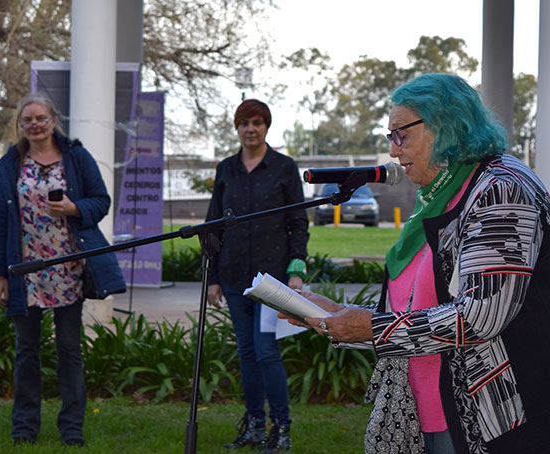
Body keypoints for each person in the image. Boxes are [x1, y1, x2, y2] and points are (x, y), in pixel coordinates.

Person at [281, 73, 550, 454]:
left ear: (443, 125)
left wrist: (372, 329)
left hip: (491, 418)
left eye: (400, 134)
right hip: (427, 409)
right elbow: (417, 309)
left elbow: (479, 316)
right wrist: (340, 314)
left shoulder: (500, 189)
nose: (393, 151)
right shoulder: (439, 195)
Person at [0, 92, 126, 447]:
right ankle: (24, 429)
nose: (35, 125)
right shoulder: (11, 163)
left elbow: (101, 200)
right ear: (20, 126)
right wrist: (0, 274)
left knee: (69, 350)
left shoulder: (76, 157)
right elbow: (1, 221)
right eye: (27, 120)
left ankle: (72, 431)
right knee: (26, 352)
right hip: (25, 271)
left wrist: (74, 209)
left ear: (53, 121)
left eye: (41, 118)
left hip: (68, 267)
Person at [205, 99, 309, 453]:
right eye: (244, 123)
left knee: (266, 351)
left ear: (267, 127)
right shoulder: (226, 169)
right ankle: (253, 426)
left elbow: (298, 223)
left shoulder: (284, 167)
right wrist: (213, 277)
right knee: (247, 352)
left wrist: (296, 270)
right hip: (234, 275)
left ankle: (281, 429)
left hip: (272, 279)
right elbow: (213, 225)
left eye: (257, 122)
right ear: (237, 128)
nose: (251, 128)